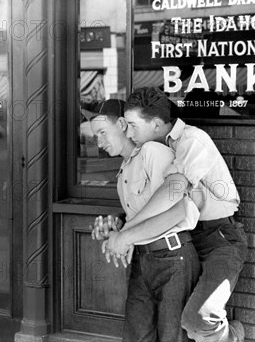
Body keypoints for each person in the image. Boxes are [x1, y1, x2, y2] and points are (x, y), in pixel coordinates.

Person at [123, 87, 248, 342]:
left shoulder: (192, 139)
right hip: (185, 243)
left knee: (197, 319)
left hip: (219, 239)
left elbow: (174, 190)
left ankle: (232, 336)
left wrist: (126, 233)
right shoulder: (156, 150)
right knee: (178, 331)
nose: (129, 132)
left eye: (133, 125)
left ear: (156, 124)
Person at [86, 99, 201, 342]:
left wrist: (125, 236)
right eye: (96, 136)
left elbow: (178, 211)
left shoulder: (152, 152)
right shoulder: (123, 172)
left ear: (121, 123)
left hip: (173, 259)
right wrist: (115, 226)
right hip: (143, 260)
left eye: (103, 133)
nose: (99, 142)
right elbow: (141, 217)